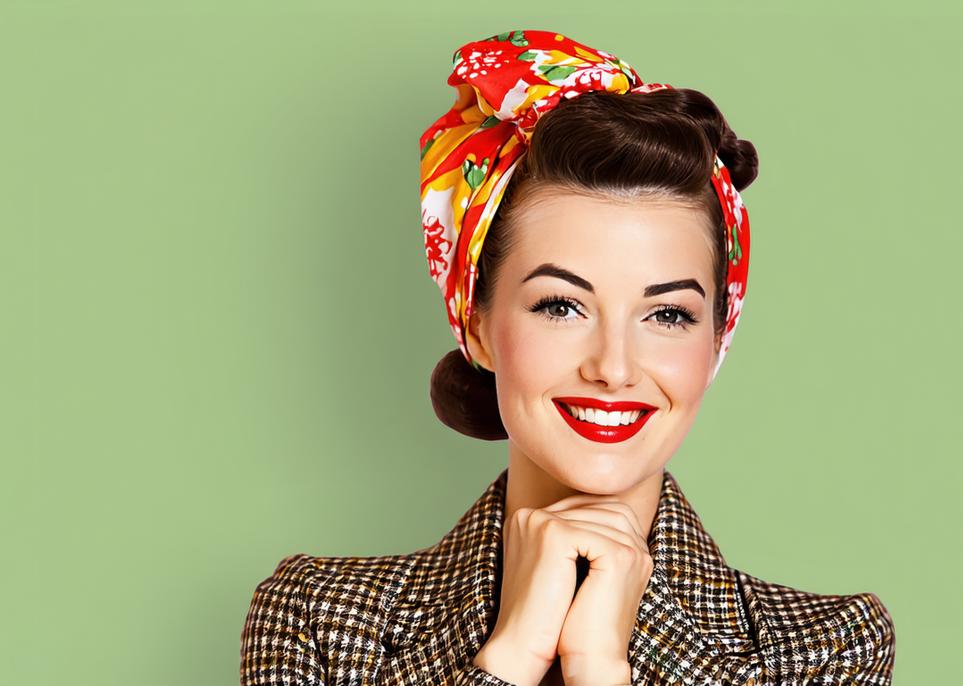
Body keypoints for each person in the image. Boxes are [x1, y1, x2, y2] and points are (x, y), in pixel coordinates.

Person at [240, 29, 895, 686]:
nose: (613, 367)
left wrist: (600, 668)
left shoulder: (827, 650)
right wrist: (512, 653)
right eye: (562, 306)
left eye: (667, 315)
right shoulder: (316, 620)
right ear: (479, 322)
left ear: (716, 339)